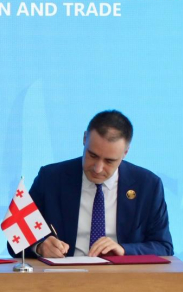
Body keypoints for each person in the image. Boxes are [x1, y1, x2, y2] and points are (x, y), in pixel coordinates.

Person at [26, 110, 173, 259]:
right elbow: (18, 238)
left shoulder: (147, 185)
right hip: (65, 272)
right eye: (92, 155)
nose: (98, 168)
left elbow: (164, 247)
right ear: (85, 138)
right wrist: (40, 247)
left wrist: (124, 250)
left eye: (109, 161)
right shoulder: (50, 178)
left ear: (125, 153)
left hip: (123, 272)